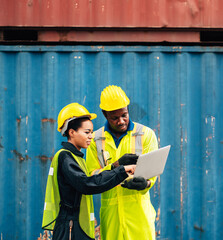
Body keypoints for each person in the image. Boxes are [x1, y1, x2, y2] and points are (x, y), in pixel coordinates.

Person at [42, 103, 138, 240]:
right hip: (70, 228)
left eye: (91, 132)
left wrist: (116, 167)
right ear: (71, 132)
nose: (91, 136)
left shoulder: (76, 158)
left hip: (76, 225)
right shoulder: (65, 157)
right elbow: (87, 184)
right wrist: (121, 171)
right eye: (87, 132)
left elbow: (91, 180)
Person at [86, 85, 159, 240]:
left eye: (124, 115)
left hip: (139, 214)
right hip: (111, 216)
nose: (121, 121)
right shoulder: (95, 140)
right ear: (104, 114)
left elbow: (153, 172)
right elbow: (92, 176)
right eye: (114, 118)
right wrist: (115, 165)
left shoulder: (146, 135)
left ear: (127, 109)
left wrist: (145, 184)